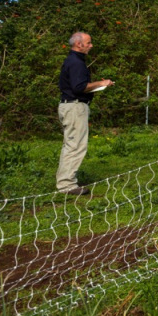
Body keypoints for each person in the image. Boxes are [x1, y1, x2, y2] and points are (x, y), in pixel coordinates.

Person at [56, 31, 114, 195]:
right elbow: (79, 86)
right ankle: (67, 184)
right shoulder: (76, 62)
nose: (91, 45)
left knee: (71, 144)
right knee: (75, 146)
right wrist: (101, 83)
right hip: (75, 107)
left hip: (72, 106)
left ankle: (65, 181)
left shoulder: (74, 60)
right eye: (88, 43)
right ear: (78, 44)